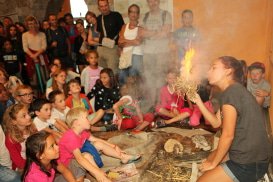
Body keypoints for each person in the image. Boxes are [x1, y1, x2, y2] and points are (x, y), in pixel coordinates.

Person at [191, 56, 271, 182]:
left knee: (201, 180)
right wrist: (198, 101)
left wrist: (213, 165)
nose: (208, 71)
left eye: (214, 67)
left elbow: (228, 135)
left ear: (228, 71)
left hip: (249, 164)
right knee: (211, 157)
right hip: (252, 156)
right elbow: (216, 122)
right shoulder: (232, 91)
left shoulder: (232, 93)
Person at [58, 107, 141, 182]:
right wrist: (98, 172)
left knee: (98, 144)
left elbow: (96, 139)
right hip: (68, 166)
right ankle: (102, 178)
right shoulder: (70, 137)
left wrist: (114, 146)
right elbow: (80, 159)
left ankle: (123, 157)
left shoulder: (82, 131)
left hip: (78, 156)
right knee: (86, 156)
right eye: (86, 118)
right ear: (76, 123)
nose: (89, 121)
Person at [141, 0, 172, 108]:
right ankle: (152, 104)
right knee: (149, 79)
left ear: (158, 2)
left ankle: (161, 103)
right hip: (147, 52)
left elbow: (165, 33)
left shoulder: (165, 15)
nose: (152, 3)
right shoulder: (144, 16)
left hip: (162, 52)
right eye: (150, 1)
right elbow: (141, 33)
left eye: (155, 0)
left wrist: (149, 33)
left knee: (161, 78)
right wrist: (156, 32)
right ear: (147, 3)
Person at [3, 104, 37, 171]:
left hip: (35, 159)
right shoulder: (11, 139)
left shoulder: (32, 128)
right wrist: (37, 164)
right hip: (23, 166)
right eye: (24, 116)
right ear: (14, 121)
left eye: (28, 113)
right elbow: (20, 163)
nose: (29, 117)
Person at [96, 0, 124, 75]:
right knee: (102, 74)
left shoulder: (116, 15)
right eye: (101, 6)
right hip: (101, 49)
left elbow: (123, 31)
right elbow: (98, 33)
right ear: (99, 8)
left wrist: (120, 47)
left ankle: (114, 87)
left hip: (113, 49)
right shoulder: (98, 18)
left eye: (105, 5)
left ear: (109, 5)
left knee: (112, 73)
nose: (104, 8)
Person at [118, 4, 144, 85]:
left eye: (136, 12)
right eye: (132, 12)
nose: (134, 14)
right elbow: (119, 42)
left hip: (137, 55)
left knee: (133, 79)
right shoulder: (124, 27)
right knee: (122, 78)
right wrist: (133, 41)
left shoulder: (142, 27)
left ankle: (133, 96)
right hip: (125, 55)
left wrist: (125, 41)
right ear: (128, 14)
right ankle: (125, 97)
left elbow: (138, 42)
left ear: (138, 15)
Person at [22, 16, 49, 89]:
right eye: (30, 24)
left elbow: (44, 47)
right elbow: (25, 48)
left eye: (34, 23)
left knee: (44, 76)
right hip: (30, 58)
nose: (32, 25)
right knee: (34, 79)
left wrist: (36, 55)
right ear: (27, 25)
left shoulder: (42, 34)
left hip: (41, 57)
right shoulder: (25, 35)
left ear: (37, 24)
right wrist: (33, 56)